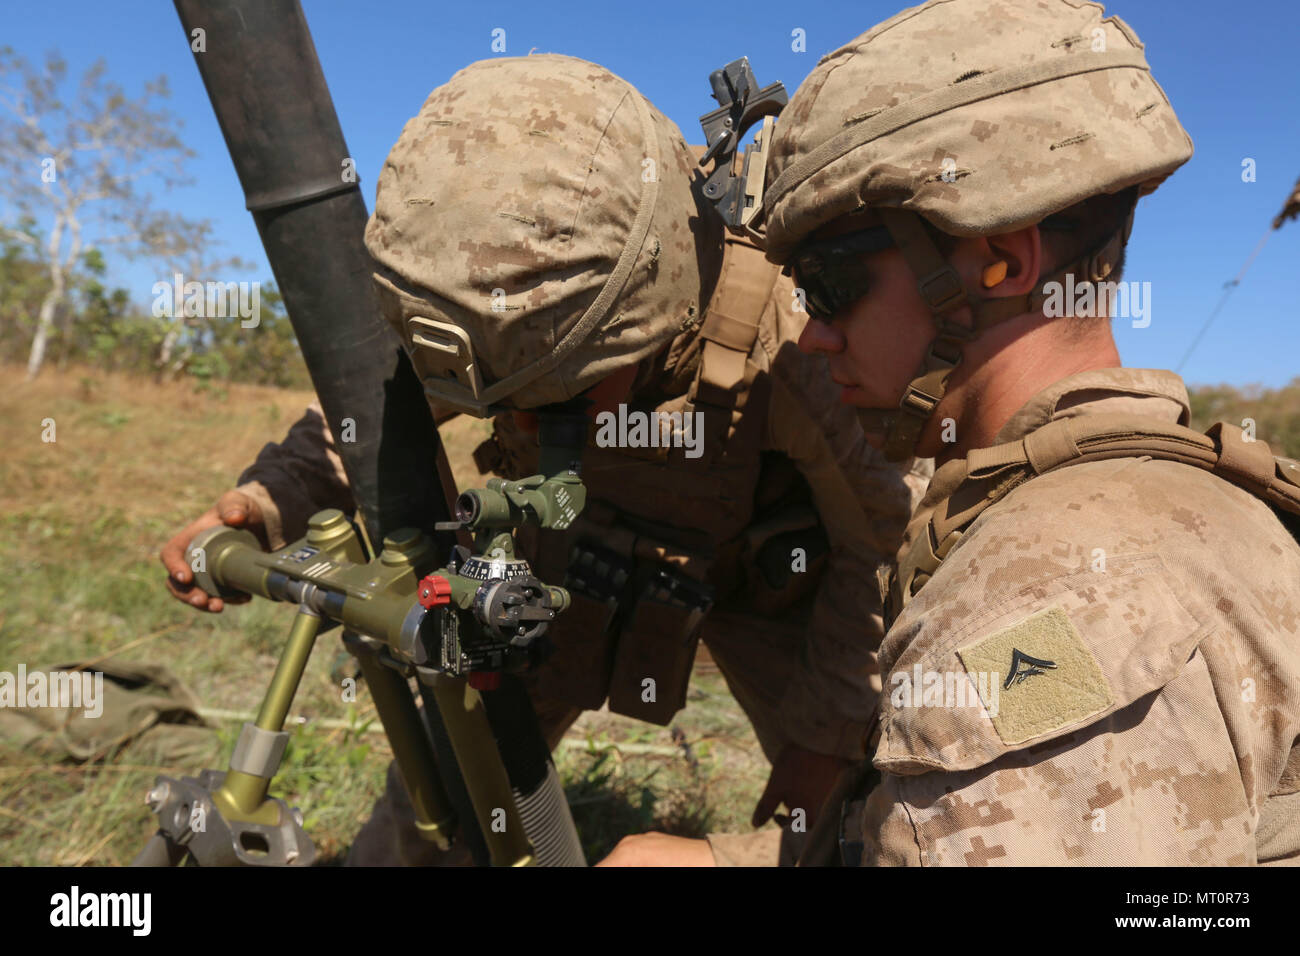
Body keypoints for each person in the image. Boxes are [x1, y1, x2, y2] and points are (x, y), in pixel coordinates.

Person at [159, 54, 930, 865]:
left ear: (660, 302)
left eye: (563, 394)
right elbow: (375, 405)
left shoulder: (783, 339)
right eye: (496, 393)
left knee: (861, 809)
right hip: (559, 567)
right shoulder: (497, 302)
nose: (520, 419)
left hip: (759, 592)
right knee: (454, 793)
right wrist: (265, 498)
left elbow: (875, 538)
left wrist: (824, 741)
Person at [602, 0, 1300, 866]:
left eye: (827, 284)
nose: (813, 334)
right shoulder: (1149, 501)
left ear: (999, 259)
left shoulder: (1043, 597)